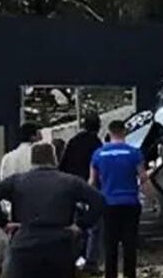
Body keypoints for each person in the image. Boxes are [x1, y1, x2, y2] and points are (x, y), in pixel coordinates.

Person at [0, 142, 105, 278]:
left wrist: (3, 222)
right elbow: (99, 201)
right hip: (60, 244)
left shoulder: (17, 181)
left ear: (32, 161)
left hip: (24, 243)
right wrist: (81, 225)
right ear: (54, 159)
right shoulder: (70, 181)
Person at [89, 120, 150, 278]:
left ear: (109, 133)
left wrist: (89, 201)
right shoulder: (134, 152)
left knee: (110, 244)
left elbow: (92, 181)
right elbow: (143, 177)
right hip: (130, 202)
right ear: (124, 132)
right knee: (130, 244)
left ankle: (111, 275)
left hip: (108, 203)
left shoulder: (98, 154)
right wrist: (151, 198)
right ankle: (130, 274)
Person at [60, 112, 104, 272]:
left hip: (71, 189)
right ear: (98, 126)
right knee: (94, 227)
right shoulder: (97, 144)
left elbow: (62, 166)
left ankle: (71, 260)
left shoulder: (73, 142)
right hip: (89, 188)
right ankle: (91, 262)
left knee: (74, 225)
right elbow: (99, 170)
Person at [0, 123, 44, 221]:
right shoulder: (40, 156)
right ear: (33, 136)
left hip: (14, 208)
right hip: (38, 208)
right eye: (39, 134)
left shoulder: (8, 158)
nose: (42, 137)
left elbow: (3, 183)